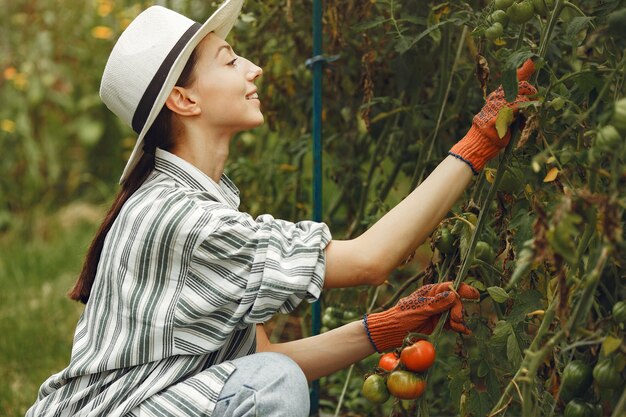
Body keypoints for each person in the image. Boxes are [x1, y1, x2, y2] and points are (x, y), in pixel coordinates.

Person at [26, 0, 537, 416]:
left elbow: (259, 358)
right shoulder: (186, 220)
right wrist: (476, 145)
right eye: (230, 61)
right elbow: (371, 261)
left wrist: (387, 326)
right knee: (274, 384)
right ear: (183, 101)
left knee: (269, 375)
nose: (255, 68)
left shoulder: (188, 201)